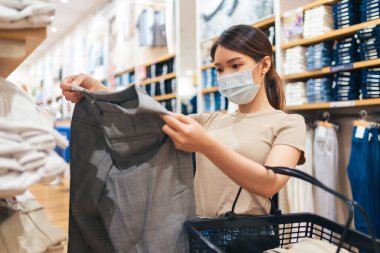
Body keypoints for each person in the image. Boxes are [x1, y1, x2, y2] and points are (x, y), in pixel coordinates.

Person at [60, 24, 306, 218]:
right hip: (200, 234)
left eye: (235, 65)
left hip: (250, 240)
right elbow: (148, 118)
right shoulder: (210, 120)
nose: (226, 75)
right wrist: (99, 90)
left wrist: (205, 145)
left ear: (264, 65)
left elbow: (269, 184)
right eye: (219, 69)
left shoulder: (288, 123)